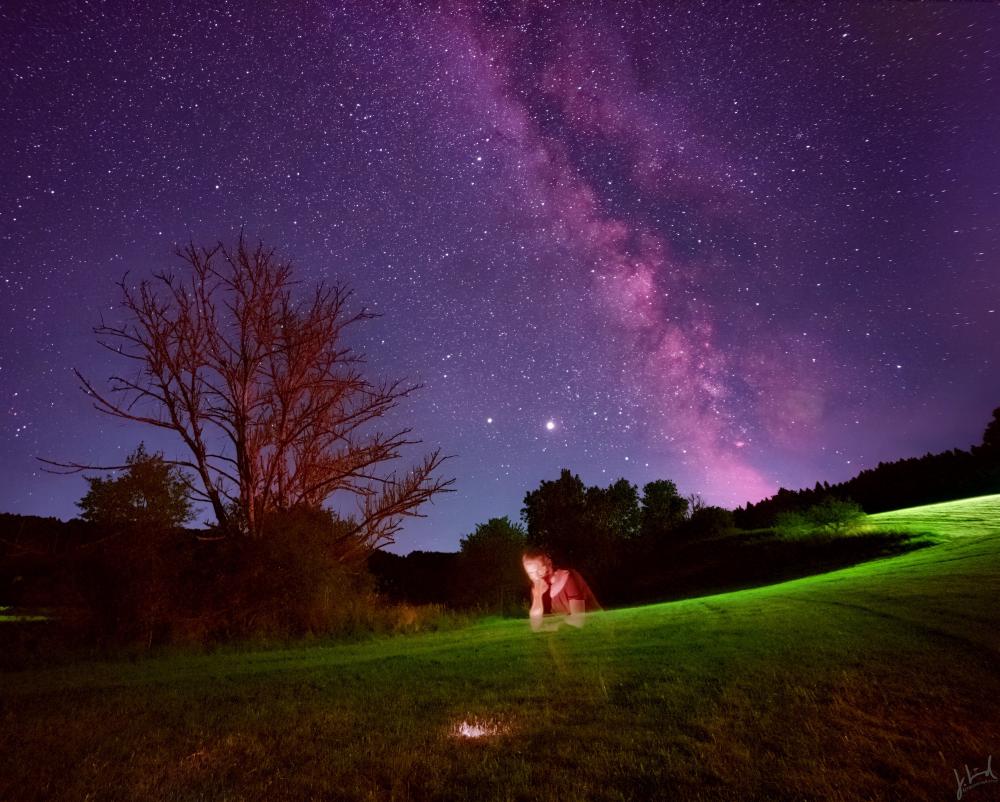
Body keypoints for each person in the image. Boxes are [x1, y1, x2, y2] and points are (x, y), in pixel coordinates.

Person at [521, 549, 600, 631]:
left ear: (549, 564)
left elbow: (578, 621)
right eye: (530, 573)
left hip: (595, 628)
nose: (535, 576)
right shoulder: (537, 588)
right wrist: (538, 597)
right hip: (567, 633)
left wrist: (552, 626)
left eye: (538, 570)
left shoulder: (569, 577)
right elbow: (536, 626)